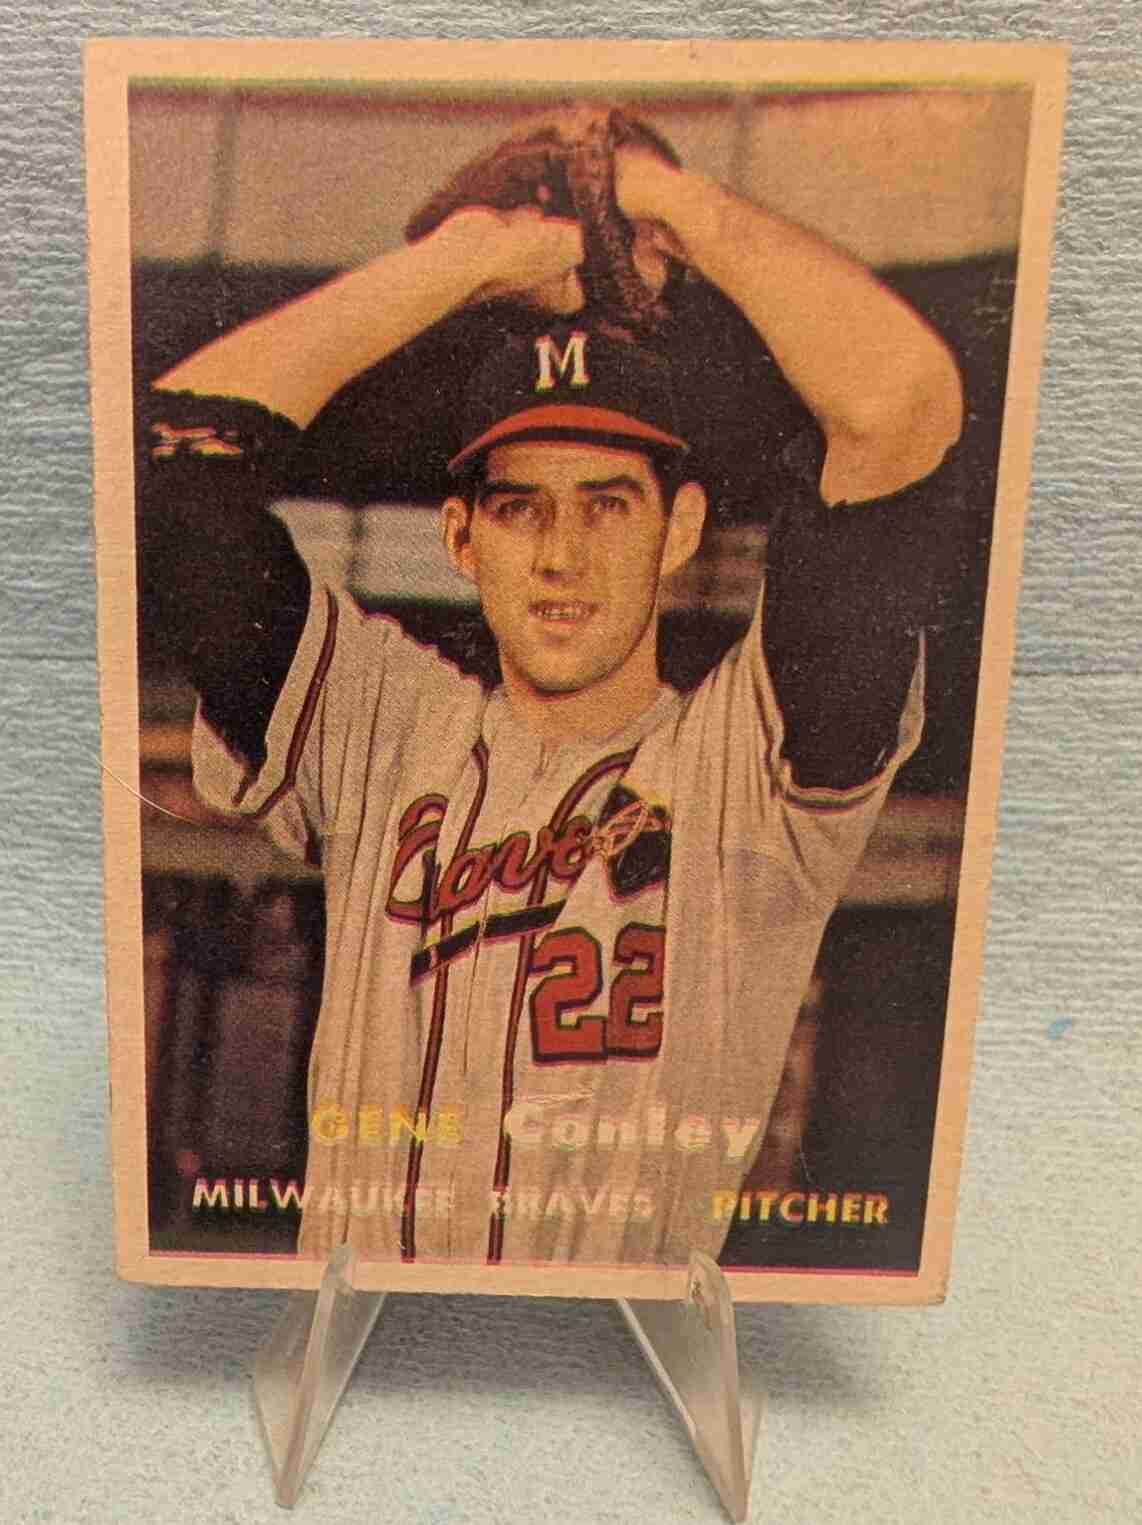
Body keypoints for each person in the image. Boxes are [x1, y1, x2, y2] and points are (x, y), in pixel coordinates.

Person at [138, 114, 963, 1268]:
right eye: (519, 508)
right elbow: (174, 457)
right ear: (462, 537)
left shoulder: (748, 766)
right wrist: (470, 255)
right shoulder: (377, 726)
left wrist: (657, 196)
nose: (561, 555)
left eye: (607, 505)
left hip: (610, 1330)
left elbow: (900, 404)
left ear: (679, 528)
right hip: (371, 1327)